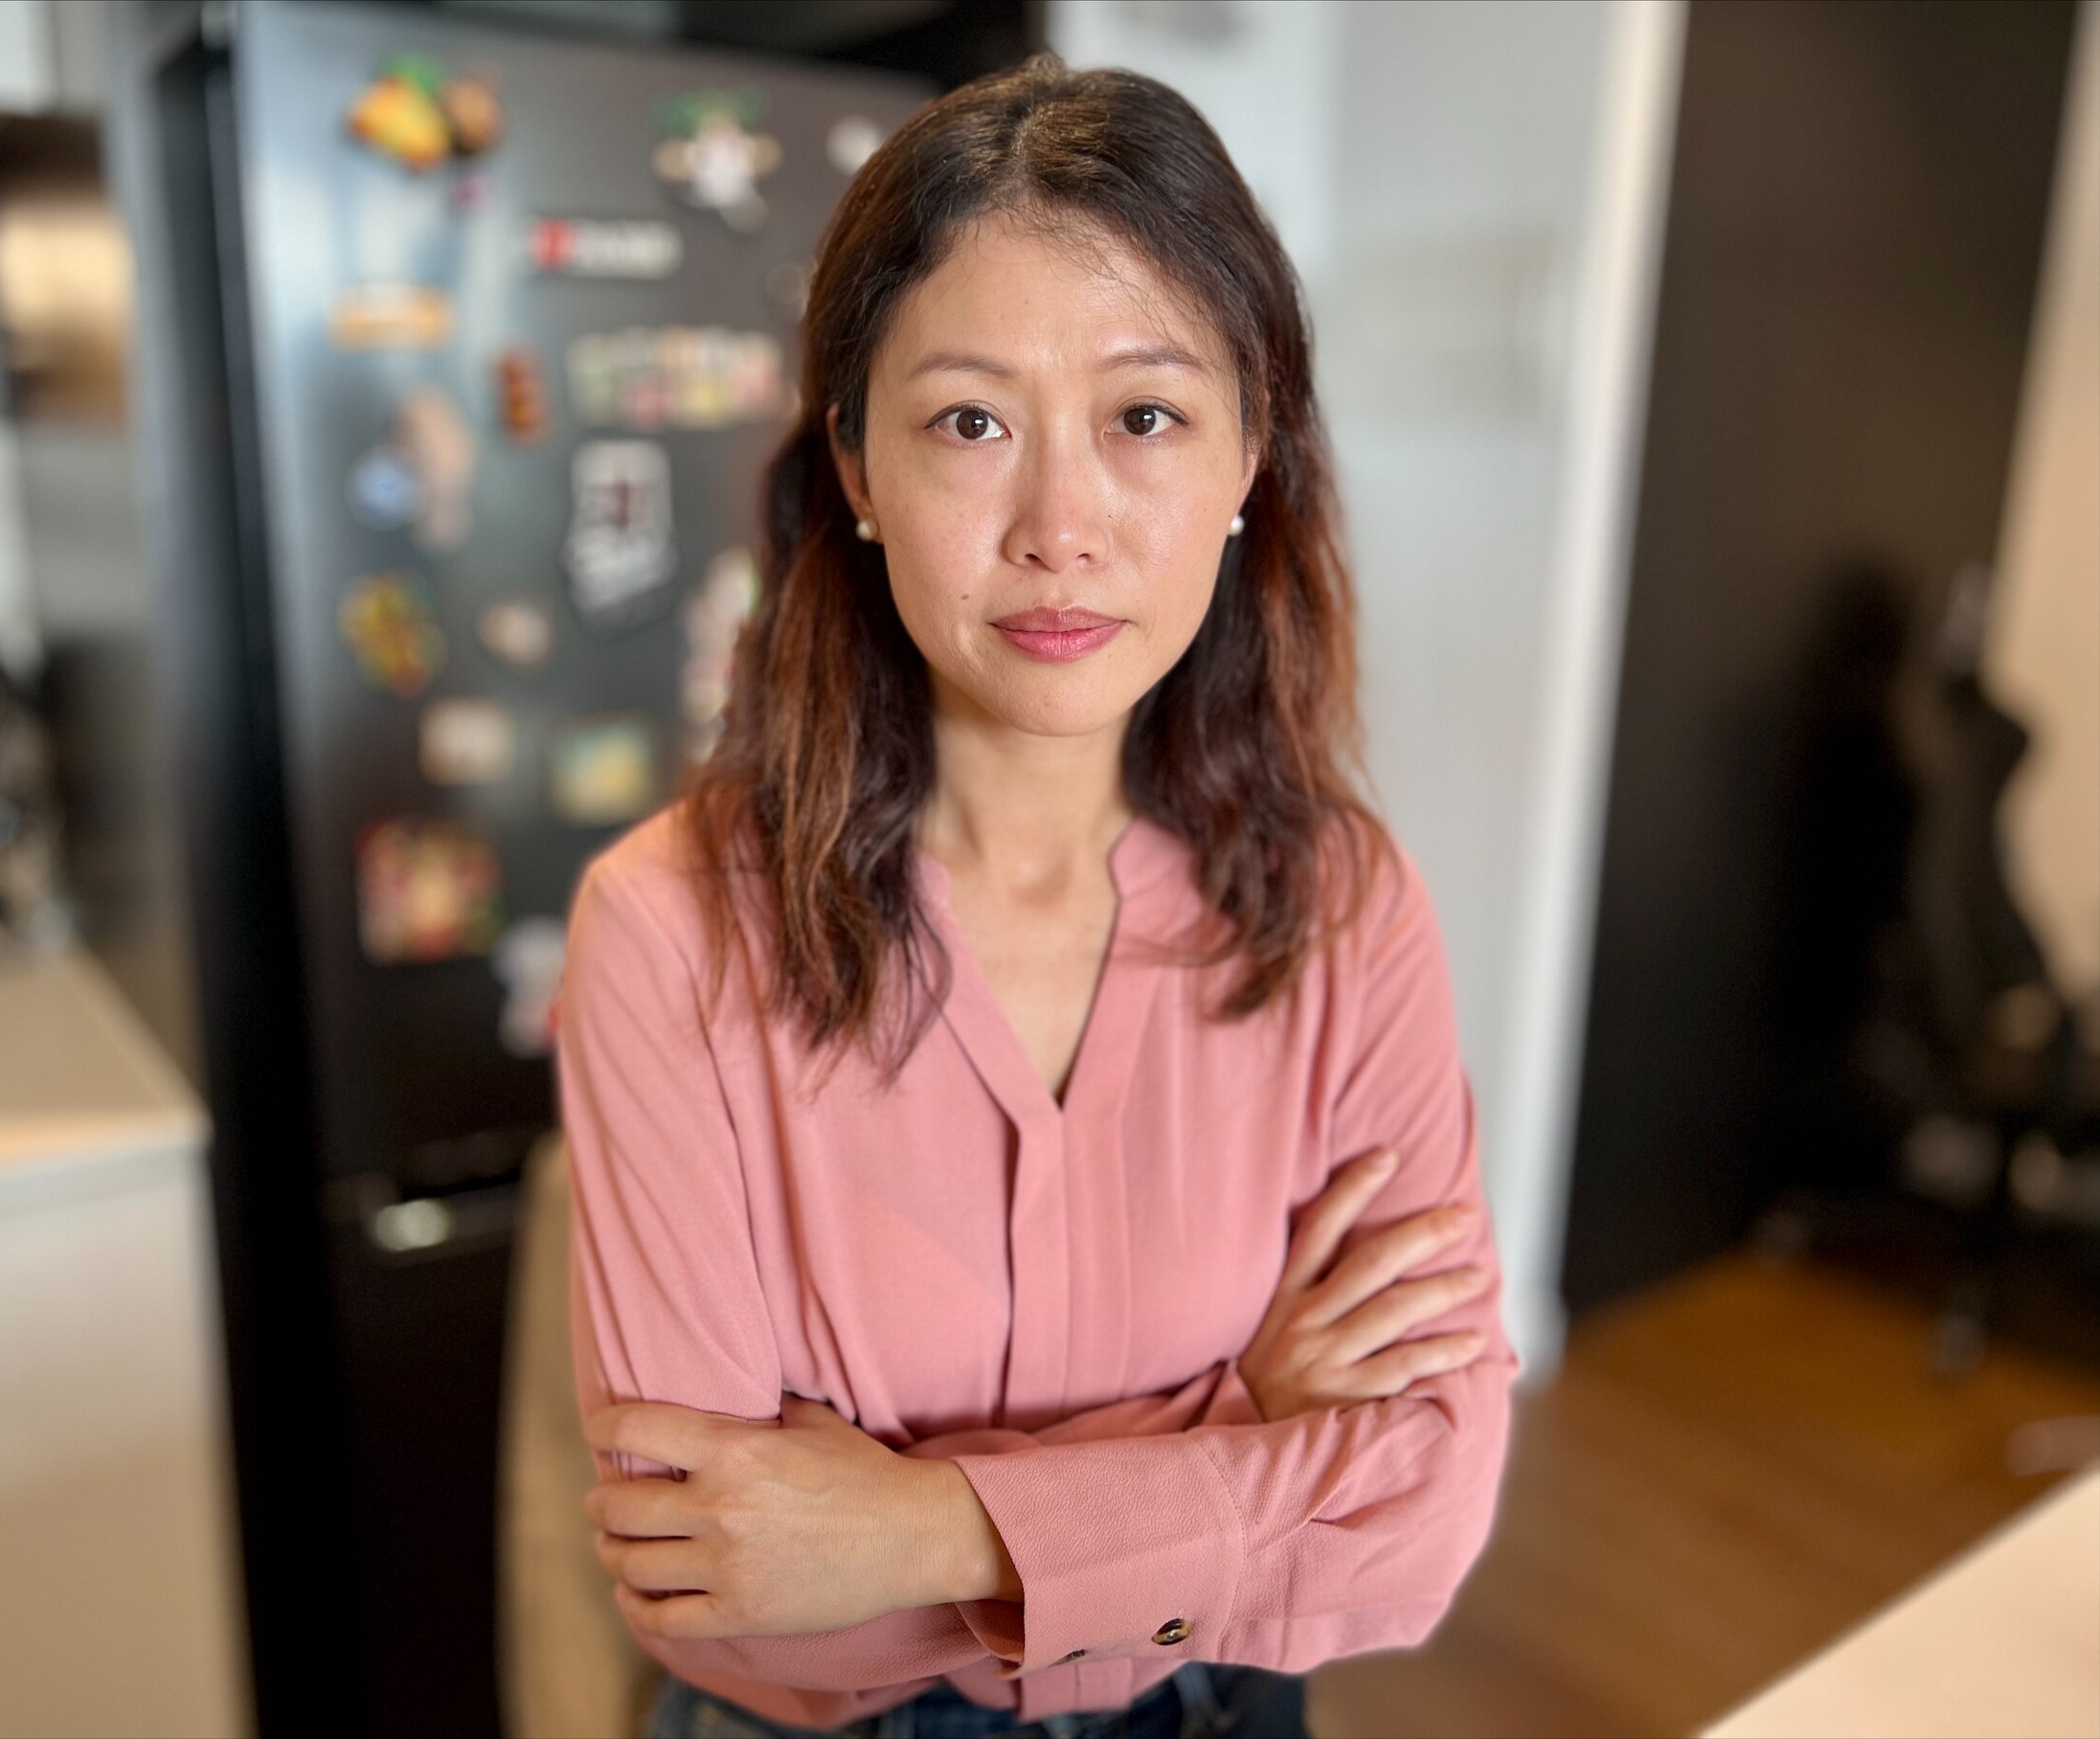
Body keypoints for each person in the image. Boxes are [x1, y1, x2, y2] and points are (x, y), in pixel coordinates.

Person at [546, 52, 1516, 1739]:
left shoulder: (1346, 906)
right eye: (969, 422)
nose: (1061, 527)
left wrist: (919, 1527)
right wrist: (1246, 1433)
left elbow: (1422, 1522)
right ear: (855, 467)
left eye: (1145, 417)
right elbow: (725, 1587)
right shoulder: (667, 930)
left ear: (1246, 461)